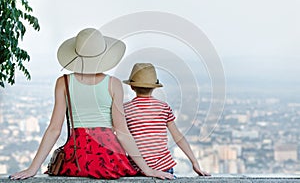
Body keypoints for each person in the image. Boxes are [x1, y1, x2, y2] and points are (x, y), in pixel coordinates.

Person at [10, 28, 173, 180]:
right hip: (109, 159)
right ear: (103, 56)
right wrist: (147, 169)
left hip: (76, 159)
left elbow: (54, 129)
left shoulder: (64, 82)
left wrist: (32, 169)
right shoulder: (113, 84)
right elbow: (122, 132)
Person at [123, 63, 210, 176]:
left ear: (132, 86)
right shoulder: (163, 108)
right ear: (154, 87)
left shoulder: (125, 109)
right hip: (164, 169)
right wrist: (194, 162)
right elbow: (178, 137)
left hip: (137, 168)